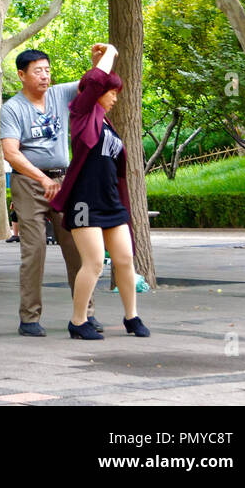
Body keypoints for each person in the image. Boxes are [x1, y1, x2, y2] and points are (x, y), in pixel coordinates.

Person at [52, 43, 150, 340]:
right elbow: (94, 82)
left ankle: (131, 317)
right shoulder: (81, 114)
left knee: (124, 259)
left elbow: (95, 79)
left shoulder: (105, 122)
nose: (115, 98)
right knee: (94, 262)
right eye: (113, 92)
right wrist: (111, 52)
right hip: (85, 202)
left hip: (111, 202)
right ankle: (78, 321)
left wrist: (98, 61)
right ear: (97, 94)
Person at [1, 48, 99, 337]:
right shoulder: (13, 108)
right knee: (34, 249)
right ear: (22, 75)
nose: (44, 75)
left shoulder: (59, 94)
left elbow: (94, 83)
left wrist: (97, 62)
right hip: (29, 183)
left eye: (47, 70)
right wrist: (42, 179)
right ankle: (29, 318)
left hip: (65, 182)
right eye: (37, 71)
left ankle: (85, 315)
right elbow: (10, 152)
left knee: (77, 247)